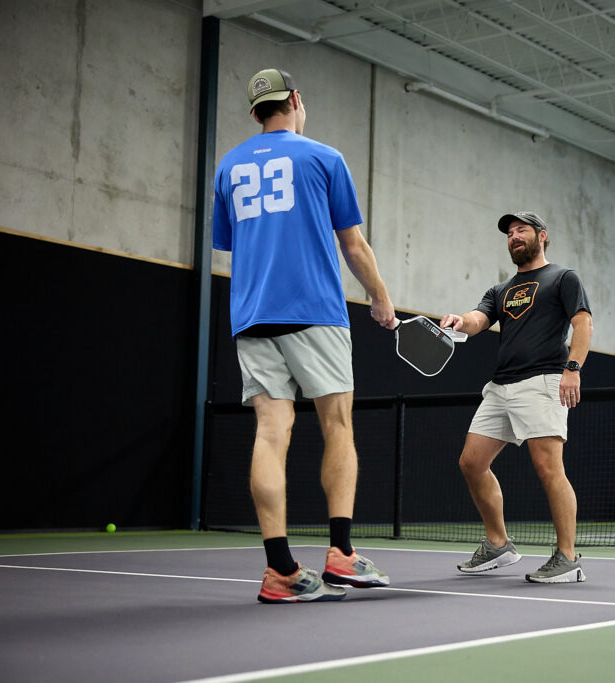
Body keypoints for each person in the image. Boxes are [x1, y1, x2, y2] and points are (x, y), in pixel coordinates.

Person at [212, 68, 395, 603]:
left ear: (255, 113)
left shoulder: (228, 166)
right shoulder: (324, 158)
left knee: (271, 433)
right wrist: (381, 298)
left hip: (251, 316)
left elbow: (232, 241)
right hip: (315, 311)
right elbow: (353, 245)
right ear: (295, 99)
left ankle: (280, 571)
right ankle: (341, 555)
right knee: (338, 426)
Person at [439, 211, 593, 583]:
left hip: (543, 380)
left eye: (522, 230)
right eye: (510, 233)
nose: (514, 236)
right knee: (471, 463)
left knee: (548, 468)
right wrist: (460, 321)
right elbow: (479, 319)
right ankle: (498, 544)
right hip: (500, 387)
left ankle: (568, 558)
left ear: (542, 236)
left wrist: (572, 368)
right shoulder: (501, 290)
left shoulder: (563, 278)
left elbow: (583, 322)